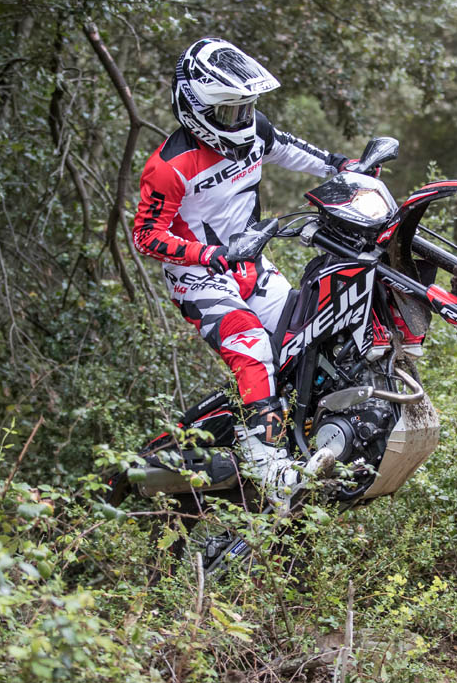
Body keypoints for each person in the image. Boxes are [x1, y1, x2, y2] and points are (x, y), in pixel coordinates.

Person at [132, 38, 341, 512]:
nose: (240, 120)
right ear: (195, 108)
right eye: (228, 111)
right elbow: (146, 236)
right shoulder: (168, 167)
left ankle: (302, 432)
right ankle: (268, 469)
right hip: (198, 279)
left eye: (245, 108)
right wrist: (210, 254)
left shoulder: (255, 129)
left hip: (252, 266)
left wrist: (342, 165)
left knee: (309, 333)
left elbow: (291, 150)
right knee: (252, 347)